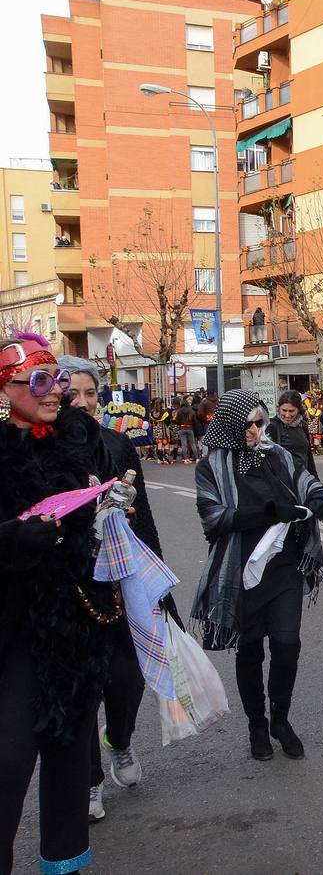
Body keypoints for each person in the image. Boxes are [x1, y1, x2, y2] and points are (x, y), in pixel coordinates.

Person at [0, 333, 115, 874]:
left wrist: (115, 514)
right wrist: (14, 540)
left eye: (59, 381)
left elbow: (99, 502)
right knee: (10, 758)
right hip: (16, 625)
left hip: (74, 617)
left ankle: (64, 864)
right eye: (40, 381)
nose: (55, 392)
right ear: (7, 389)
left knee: (69, 755)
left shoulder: (79, 436)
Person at [191, 391, 323, 761]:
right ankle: (257, 724)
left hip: (283, 566)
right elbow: (213, 517)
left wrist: (318, 498)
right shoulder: (211, 466)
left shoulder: (277, 455)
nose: (256, 430)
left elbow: (307, 481)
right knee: (250, 650)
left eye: (260, 422)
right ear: (233, 425)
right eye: (249, 423)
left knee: (287, 645)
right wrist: (267, 513)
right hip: (240, 570)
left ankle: (280, 720)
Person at [60, 355, 164, 820]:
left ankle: (118, 739)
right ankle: (88, 782)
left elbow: (145, 524)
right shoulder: (41, 452)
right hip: (67, 590)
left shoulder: (119, 446)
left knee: (128, 677)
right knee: (81, 689)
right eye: (71, 396)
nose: (82, 404)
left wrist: (161, 594)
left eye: (91, 395)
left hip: (120, 585)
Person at [267, 390, 317, 478]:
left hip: (304, 478)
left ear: (298, 410)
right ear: (279, 408)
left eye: (291, 411)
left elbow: (308, 455)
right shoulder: (273, 427)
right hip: (284, 481)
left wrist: (315, 479)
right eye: (284, 410)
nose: (287, 415)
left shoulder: (303, 425)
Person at [174, 396, 198, 463]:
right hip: (190, 428)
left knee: (184, 444)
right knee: (192, 444)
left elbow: (176, 421)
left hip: (182, 428)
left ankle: (186, 459)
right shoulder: (191, 411)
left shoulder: (179, 411)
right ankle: (197, 458)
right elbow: (195, 421)